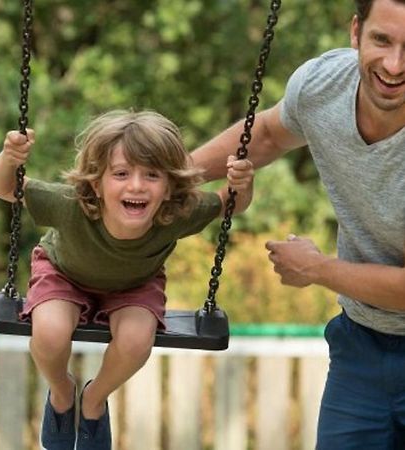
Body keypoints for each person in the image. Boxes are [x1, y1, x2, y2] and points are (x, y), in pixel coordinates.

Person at [191, 0, 405, 447]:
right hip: (360, 347)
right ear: (355, 32)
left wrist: (318, 269)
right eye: (382, 40)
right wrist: (170, 179)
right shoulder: (325, 84)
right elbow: (267, 133)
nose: (393, 64)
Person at [0, 110, 254, 450]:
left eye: (152, 175)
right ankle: (62, 391)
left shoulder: (177, 213)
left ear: (170, 185)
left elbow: (229, 204)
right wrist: (10, 158)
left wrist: (243, 185)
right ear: (96, 183)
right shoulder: (69, 204)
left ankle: (94, 400)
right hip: (64, 274)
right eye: (121, 173)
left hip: (135, 284)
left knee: (136, 340)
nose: (137, 185)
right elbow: (3, 187)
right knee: (50, 333)